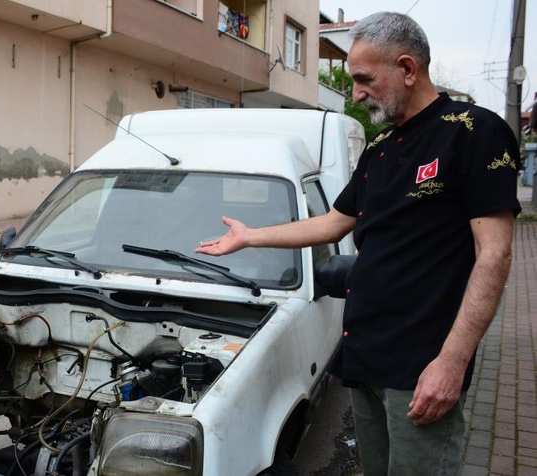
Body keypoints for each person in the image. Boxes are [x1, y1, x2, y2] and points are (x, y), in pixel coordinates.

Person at [195, 11, 520, 476]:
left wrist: (452, 363)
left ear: (408, 69)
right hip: (364, 355)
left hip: (421, 368)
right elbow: (331, 223)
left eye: (365, 79)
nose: (357, 92)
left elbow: (495, 254)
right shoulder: (381, 147)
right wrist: (251, 237)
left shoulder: (474, 132)